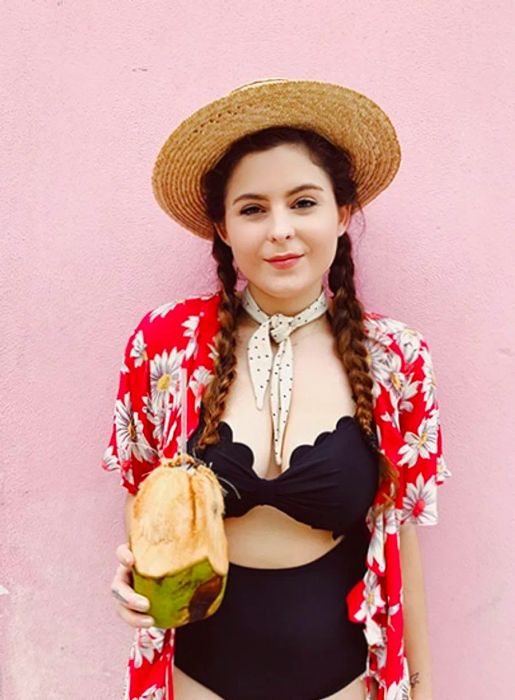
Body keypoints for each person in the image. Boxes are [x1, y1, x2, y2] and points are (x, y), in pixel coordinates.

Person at [101, 79, 451, 700]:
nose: (280, 230)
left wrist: (419, 688)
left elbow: (400, 542)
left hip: (345, 680)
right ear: (223, 227)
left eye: (304, 202)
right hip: (194, 680)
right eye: (253, 208)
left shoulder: (395, 357)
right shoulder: (165, 345)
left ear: (342, 215)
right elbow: (145, 507)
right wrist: (131, 580)